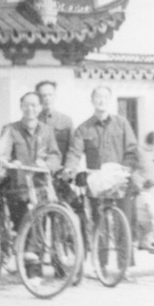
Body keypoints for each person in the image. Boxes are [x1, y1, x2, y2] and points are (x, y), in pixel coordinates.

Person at [65, 85, 139, 274]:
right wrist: (70, 168)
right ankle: (102, 265)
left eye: (105, 97)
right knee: (100, 223)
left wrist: (126, 168)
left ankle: (124, 266)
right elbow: (75, 152)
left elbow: (132, 150)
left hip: (121, 179)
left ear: (110, 100)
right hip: (98, 182)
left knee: (124, 223)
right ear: (92, 100)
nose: (101, 100)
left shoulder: (122, 123)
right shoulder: (84, 128)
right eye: (98, 96)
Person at [0, 91, 61, 277]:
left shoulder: (47, 130)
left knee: (39, 224)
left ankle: (34, 271)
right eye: (26, 105)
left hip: (40, 186)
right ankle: (30, 269)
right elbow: (3, 152)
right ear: (21, 107)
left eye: (34, 105)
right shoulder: (10, 129)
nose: (30, 109)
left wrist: (48, 164)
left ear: (40, 107)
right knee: (24, 226)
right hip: (18, 187)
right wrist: (8, 161)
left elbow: (55, 154)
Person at [36, 80, 74, 165]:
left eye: (50, 95)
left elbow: (73, 149)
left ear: (55, 96)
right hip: (38, 168)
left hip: (61, 168)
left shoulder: (66, 121)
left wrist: (68, 167)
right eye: (43, 95)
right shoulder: (33, 121)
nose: (47, 98)